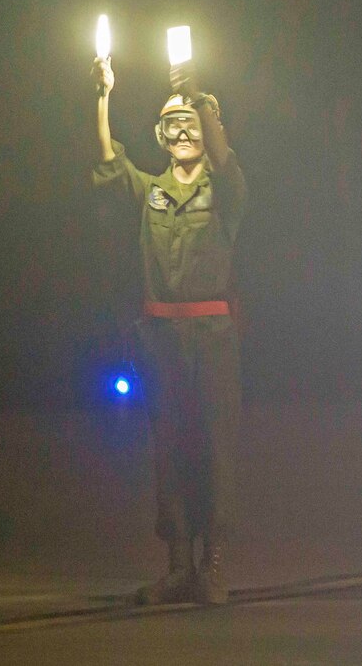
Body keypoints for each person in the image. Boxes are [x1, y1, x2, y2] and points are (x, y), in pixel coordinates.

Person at [90, 55, 245, 605]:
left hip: (211, 337)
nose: (182, 132)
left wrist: (199, 94)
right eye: (172, 125)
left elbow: (225, 163)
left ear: (207, 131)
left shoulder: (226, 188)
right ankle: (178, 565)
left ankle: (212, 564)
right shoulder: (151, 189)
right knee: (170, 448)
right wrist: (104, 95)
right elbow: (109, 162)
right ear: (161, 135)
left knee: (213, 446)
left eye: (192, 124)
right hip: (162, 340)